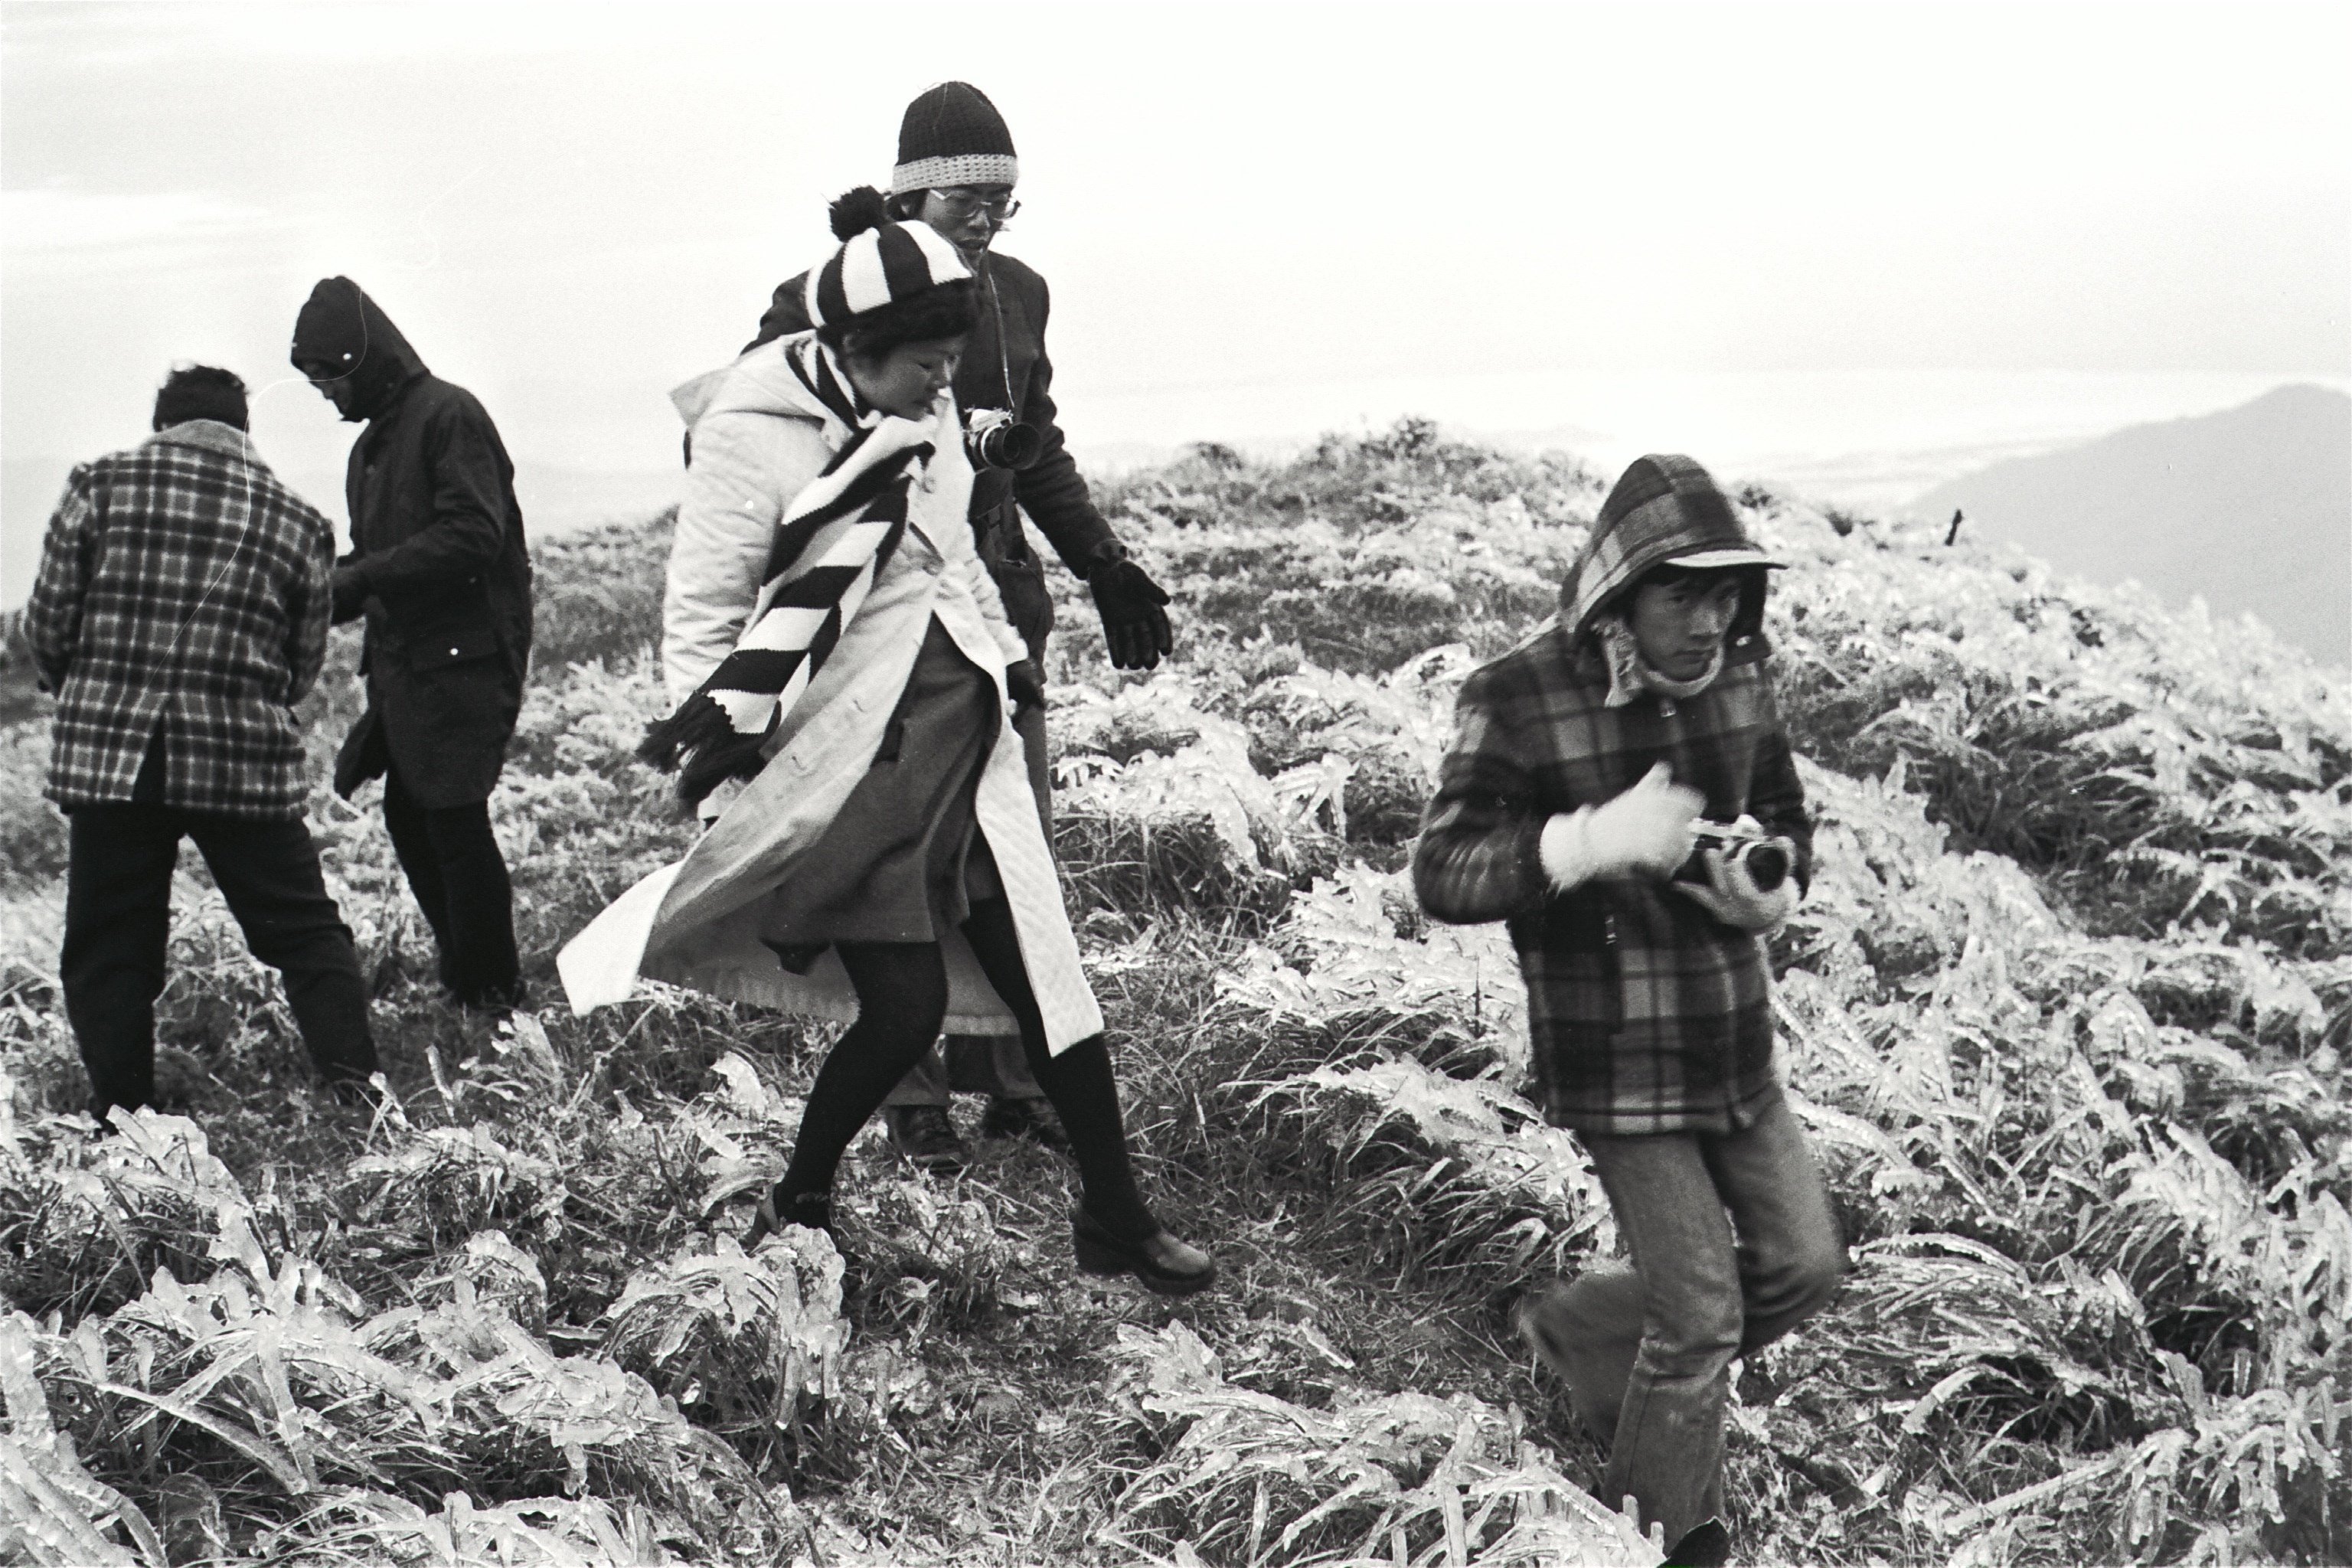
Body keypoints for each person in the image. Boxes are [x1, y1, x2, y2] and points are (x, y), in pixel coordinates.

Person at [558, 202, 1214, 1296]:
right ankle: (802, 1198)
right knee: (903, 1011)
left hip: (963, 737)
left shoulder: (930, 412)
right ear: (853, 350)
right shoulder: (749, 433)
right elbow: (705, 616)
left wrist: (1012, 659)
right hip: (849, 762)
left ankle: (1116, 1216)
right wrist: (726, 766)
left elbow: (947, 557)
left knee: (1053, 986)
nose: (943, 383)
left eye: (952, 360)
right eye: (923, 362)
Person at [1412, 454, 1847, 1563]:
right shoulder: (1517, 696)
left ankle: (1589, 1331)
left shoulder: (1740, 677)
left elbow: (1786, 814)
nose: (1708, 623)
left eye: (1725, 596)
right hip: (1613, 1054)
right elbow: (1443, 872)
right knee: (1699, 1321)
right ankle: (1662, 1540)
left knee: (1805, 1266)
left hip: (1731, 1035)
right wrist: (1589, 842)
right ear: (1618, 597)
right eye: (1681, 594)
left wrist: (1769, 884)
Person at [746, 81, 1174, 1174]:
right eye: (963, 201)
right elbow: (754, 431)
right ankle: (914, 1095)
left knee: (1011, 861)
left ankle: (1018, 1083)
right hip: (880, 624)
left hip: (1001, 623)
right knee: (904, 862)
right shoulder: (821, 295)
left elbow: (1044, 449)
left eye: (1002, 203)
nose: (985, 223)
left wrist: (1107, 565)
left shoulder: (1020, 294)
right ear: (905, 200)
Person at [25, 365, 379, 1117]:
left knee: (109, 952)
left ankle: (127, 1119)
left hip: (114, 762)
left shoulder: (101, 485)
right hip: (241, 760)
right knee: (307, 934)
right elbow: (302, 660)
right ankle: (361, 1097)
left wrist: (89, 694)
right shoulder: (297, 521)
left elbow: (48, 622)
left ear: (163, 421)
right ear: (243, 429)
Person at [290, 278, 534, 1009]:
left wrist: (359, 577)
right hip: (408, 666)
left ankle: (488, 990)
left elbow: (475, 532)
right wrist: (320, 597)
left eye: (331, 375)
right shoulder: (372, 447)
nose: (328, 393)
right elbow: (379, 565)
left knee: (452, 817)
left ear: (361, 358)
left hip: (465, 657)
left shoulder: (448, 415)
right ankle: (470, 977)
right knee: (414, 816)